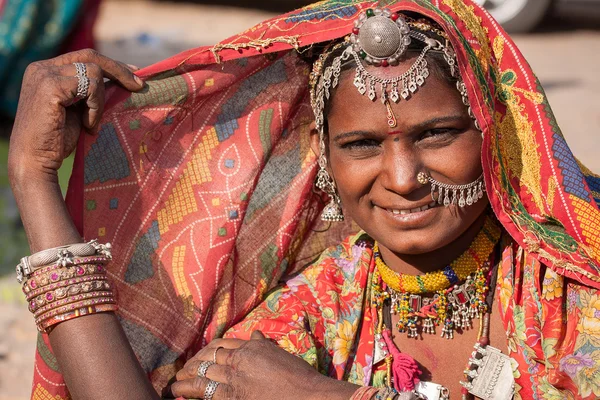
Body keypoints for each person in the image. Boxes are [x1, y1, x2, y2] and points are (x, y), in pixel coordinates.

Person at [7, 1, 600, 400]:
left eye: (436, 134)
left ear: (493, 126)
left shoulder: (573, 280)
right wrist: (33, 179)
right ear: (322, 151)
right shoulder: (322, 303)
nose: (403, 177)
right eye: (362, 144)